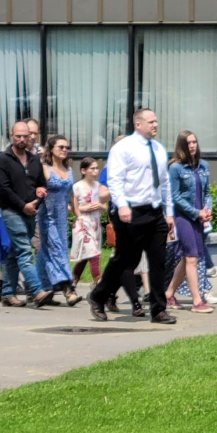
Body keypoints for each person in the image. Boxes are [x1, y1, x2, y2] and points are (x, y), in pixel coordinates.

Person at [88, 108, 176, 324]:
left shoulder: (159, 149)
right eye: (151, 121)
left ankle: (158, 310)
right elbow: (115, 180)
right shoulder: (123, 148)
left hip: (154, 212)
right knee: (126, 259)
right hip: (130, 212)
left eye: (156, 121)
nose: (155, 125)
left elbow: (165, 183)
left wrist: (169, 212)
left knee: (158, 261)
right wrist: (122, 205)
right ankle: (98, 296)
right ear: (138, 124)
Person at [0, 121, 53, 308]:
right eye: (18, 136)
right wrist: (23, 205)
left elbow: (41, 184)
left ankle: (8, 293)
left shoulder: (35, 160)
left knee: (15, 252)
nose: (21, 140)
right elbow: (5, 189)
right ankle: (37, 291)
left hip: (30, 210)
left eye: (25, 136)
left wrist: (38, 199)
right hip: (11, 211)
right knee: (25, 250)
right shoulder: (2, 160)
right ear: (12, 135)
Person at [165, 130, 215, 314]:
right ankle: (197, 301)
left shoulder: (203, 166)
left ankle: (169, 293)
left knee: (187, 258)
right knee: (192, 258)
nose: (192, 145)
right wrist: (196, 212)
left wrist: (207, 209)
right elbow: (175, 196)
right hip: (184, 217)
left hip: (199, 217)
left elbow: (207, 192)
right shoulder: (175, 168)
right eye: (188, 143)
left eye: (194, 142)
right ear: (181, 146)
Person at [99, 135, 146, 318]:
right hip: (121, 216)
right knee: (126, 260)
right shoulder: (110, 168)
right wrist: (122, 187)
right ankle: (136, 303)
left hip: (140, 216)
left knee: (133, 260)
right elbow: (102, 195)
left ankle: (108, 293)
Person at [37, 135, 80, 306]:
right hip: (47, 216)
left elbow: (71, 195)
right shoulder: (45, 168)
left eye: (66, 147)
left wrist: (78, 215)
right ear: (51, 149)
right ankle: (68, 289)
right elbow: (36, 189)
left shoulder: (68, 170)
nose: (64, 150)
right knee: (58, 250)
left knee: (46, 253)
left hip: (62, 217)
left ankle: (41, 288)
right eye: (61, 147)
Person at [71, 157, 105, 288]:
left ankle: (73, 281)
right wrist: (83, 209)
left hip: (95, 224)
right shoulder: (77, 187)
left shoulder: (99, 187)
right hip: (83, 224)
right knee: (94, 254)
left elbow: (104, 207)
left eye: (97, 168)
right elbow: (74, 207)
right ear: (84, 170)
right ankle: (100, 284)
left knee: (87, 256)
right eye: (92, 168)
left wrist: (100, 206)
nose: (96, 171)